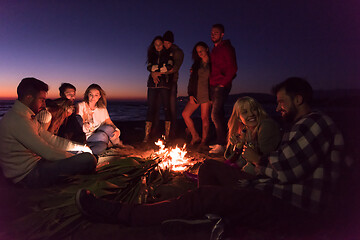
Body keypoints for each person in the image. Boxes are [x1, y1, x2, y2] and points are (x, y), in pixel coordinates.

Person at [75, 77, 346, 235]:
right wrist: (243, 155)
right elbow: (247, 160)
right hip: (266, 185)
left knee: (203, 196)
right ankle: (211, 221)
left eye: (282, 102)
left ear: (299, 100)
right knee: (208, 168)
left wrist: (256, 160)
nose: (277, 107)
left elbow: (283, 170)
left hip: (286, 204)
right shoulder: (299, 127)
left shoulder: (315, 123)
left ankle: (123, 213)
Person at [0, 78, 97, 188]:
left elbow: (52, 140)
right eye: (41, 100)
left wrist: (82, 147)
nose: (44, 103)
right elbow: (48, 153)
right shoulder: (17, 120)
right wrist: (75, 157)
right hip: (28, 175)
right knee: (88, 160)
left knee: (82, 154)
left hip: (39, 163)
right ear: (28, 98)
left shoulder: (27, 117)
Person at [198, 96, 281, 187]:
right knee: (208, 165)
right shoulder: (246, 130)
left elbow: (266, 162)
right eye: (245, 112)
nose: (251, 114)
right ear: (238, 118)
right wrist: (237, 146)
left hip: (260, 179)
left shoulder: (266, 125)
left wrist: (249, 145)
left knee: (208, 167)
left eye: (253, 109)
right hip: (248, 174)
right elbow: (231, 160)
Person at [77, 84, 131, 155]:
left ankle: (118, 144)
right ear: (87, 95)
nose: (93, 97)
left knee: (109, 128)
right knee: (103, 136)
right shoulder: (81, 106)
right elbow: (77, 123)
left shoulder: (102, 108)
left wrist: (117, 130)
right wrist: (84, 123)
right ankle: (111, 145)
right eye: (91, 95)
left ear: (100, 96)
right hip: (87, 136)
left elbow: (109, 122)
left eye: (96, 95)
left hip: (98, 132)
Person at [208, 24, 237, 154]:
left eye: (216, 32)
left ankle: (221, 144)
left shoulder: (226, 48)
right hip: (214, 85)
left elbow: (233, 68)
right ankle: (222, 142)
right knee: (219, 114)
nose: (213, 34)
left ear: (222, 34)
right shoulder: (214, 49)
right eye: (212, 32)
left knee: (214, 114)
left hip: (221, 85)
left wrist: (223, 83)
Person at [143, 36, 174, 142]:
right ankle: (146, 135)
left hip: (164, 84)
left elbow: (169, 67)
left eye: (160, 44)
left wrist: (156, 72)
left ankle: (167, 135)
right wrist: (155, 71)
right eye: (156, 44)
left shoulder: (168, 54)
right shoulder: (151, 55)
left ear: (163, 44)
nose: (158, 46)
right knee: (150, 108)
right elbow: (149, 67)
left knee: (166, 108)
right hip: (152, 84)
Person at [182, 41, 211, 147]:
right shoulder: (196, 64)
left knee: (204, 118)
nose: (200, 53)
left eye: (201, 51)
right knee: (185, 114)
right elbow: (191, 81)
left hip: (207, 95)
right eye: (198, 52)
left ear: (206, 49)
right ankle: (195, 136)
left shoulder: (213, 63)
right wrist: (190, 94)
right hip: (196, 94)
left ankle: (203, 141)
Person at [162, 30, 184, 138]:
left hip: (172, 82)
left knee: (172, 107)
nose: (166, 45)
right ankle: (167, 131)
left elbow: (175, 68)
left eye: (168, 43)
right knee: (165, 107)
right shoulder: (163, 50)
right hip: (162, 83)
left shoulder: (178, 52)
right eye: (164, 42)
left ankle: (173, 131)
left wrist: (159, 72)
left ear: (172, 42)